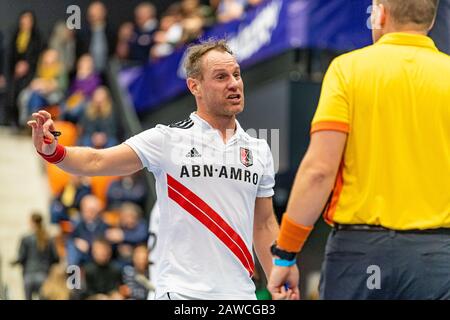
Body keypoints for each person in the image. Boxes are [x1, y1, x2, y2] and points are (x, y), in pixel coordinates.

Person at [28, 39, 282, 300]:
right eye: (221, 77)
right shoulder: (167, 139)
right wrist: (54, 151)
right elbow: (97, 161)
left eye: (236, 74)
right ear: (195, 86)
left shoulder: (259, 149)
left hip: (241, 297)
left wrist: (279, 278)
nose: (234, 83)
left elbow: (263, 224)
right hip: (183, 295)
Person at [268, 0, 450, 300]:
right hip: (439, 258)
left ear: (379, 13)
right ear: (430, 21)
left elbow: (318, 171)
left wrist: (286, 253)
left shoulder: (347, 70)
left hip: (361, 255)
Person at [12, 212, 59, 300]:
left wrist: (14, 262)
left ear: (32, 223)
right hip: (43, 275)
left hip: (29, 276)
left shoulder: (26, 239)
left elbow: (21, 258)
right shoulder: (48, 238)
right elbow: (56, 258)